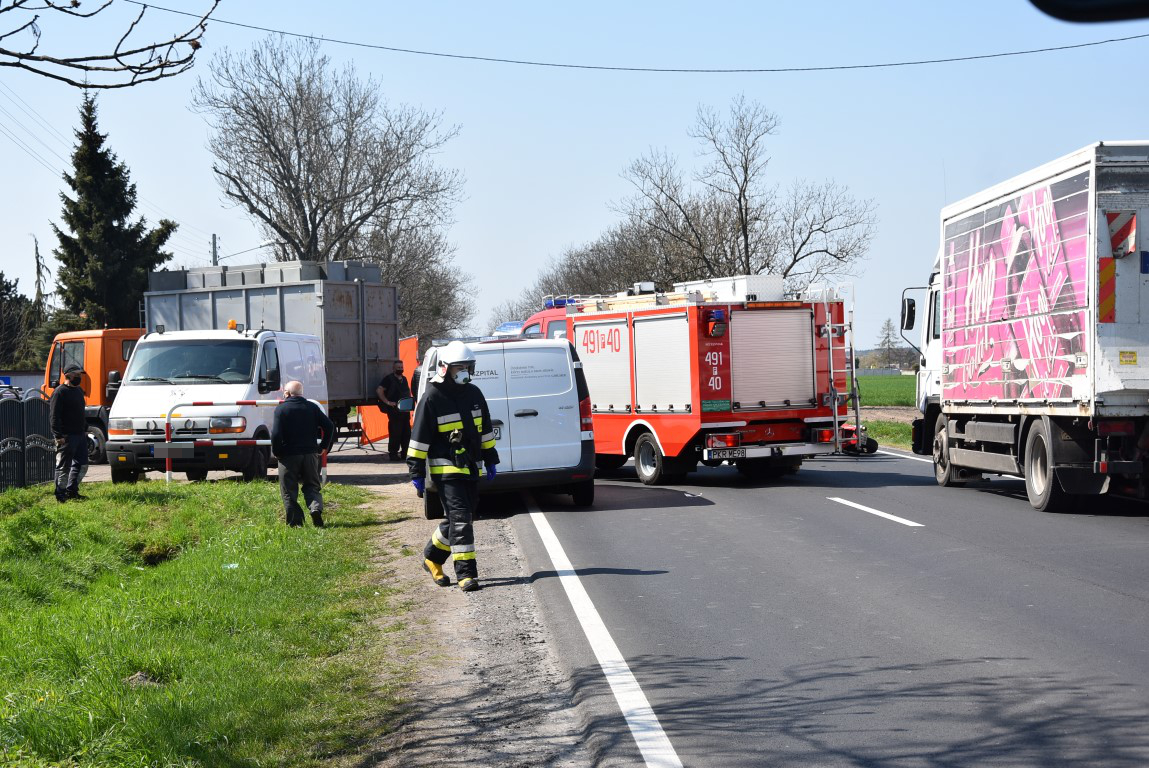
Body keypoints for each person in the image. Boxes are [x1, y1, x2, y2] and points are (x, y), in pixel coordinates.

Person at [408, 341, 499, 593]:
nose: (465, 372)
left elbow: (485, 430)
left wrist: (491, 457)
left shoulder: (474, 393)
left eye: (469, 367)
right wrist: (416, 472)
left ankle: (432, 558)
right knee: (461, 521)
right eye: (460, 367)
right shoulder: (432, 397)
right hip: (445, 470)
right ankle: (467, 575)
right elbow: (418, 439)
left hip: (470, 466)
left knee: (462, 518)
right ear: (445, 368)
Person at [271, 380, 335, 527]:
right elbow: (329, 425)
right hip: (311, 454)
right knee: (312, 485)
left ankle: (296, 523)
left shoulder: (281, 410)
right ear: (301, 393)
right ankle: (315, 508)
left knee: (289, 490)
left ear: (287, 393)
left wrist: (277, 452)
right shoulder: (312, 407)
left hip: (288, 456)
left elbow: (275, 434)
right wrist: (323, 446)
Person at [49, 364, 88, 503]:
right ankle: (60, 494)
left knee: (82, 465)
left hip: (80, 435)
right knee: (63, 467)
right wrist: (58, 436)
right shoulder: (59, 392)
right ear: (69, 375)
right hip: (66, 437)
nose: (79, 377)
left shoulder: (78, 391)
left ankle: (72, 490)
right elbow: (54, 416)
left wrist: (85, 429)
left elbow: (81, 412)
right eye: (77, 375)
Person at [376, 360, 412, 461]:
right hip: (394, 412)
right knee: (395, 434)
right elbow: (379, 390)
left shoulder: (404, 379)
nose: (400, 369)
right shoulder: (389, 379)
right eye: (398, 367)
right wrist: (387, 402)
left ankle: (405, 453)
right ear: (393, 368)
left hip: (405, 412)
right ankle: (393, 454)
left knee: (407, 434)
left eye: (401, 367)